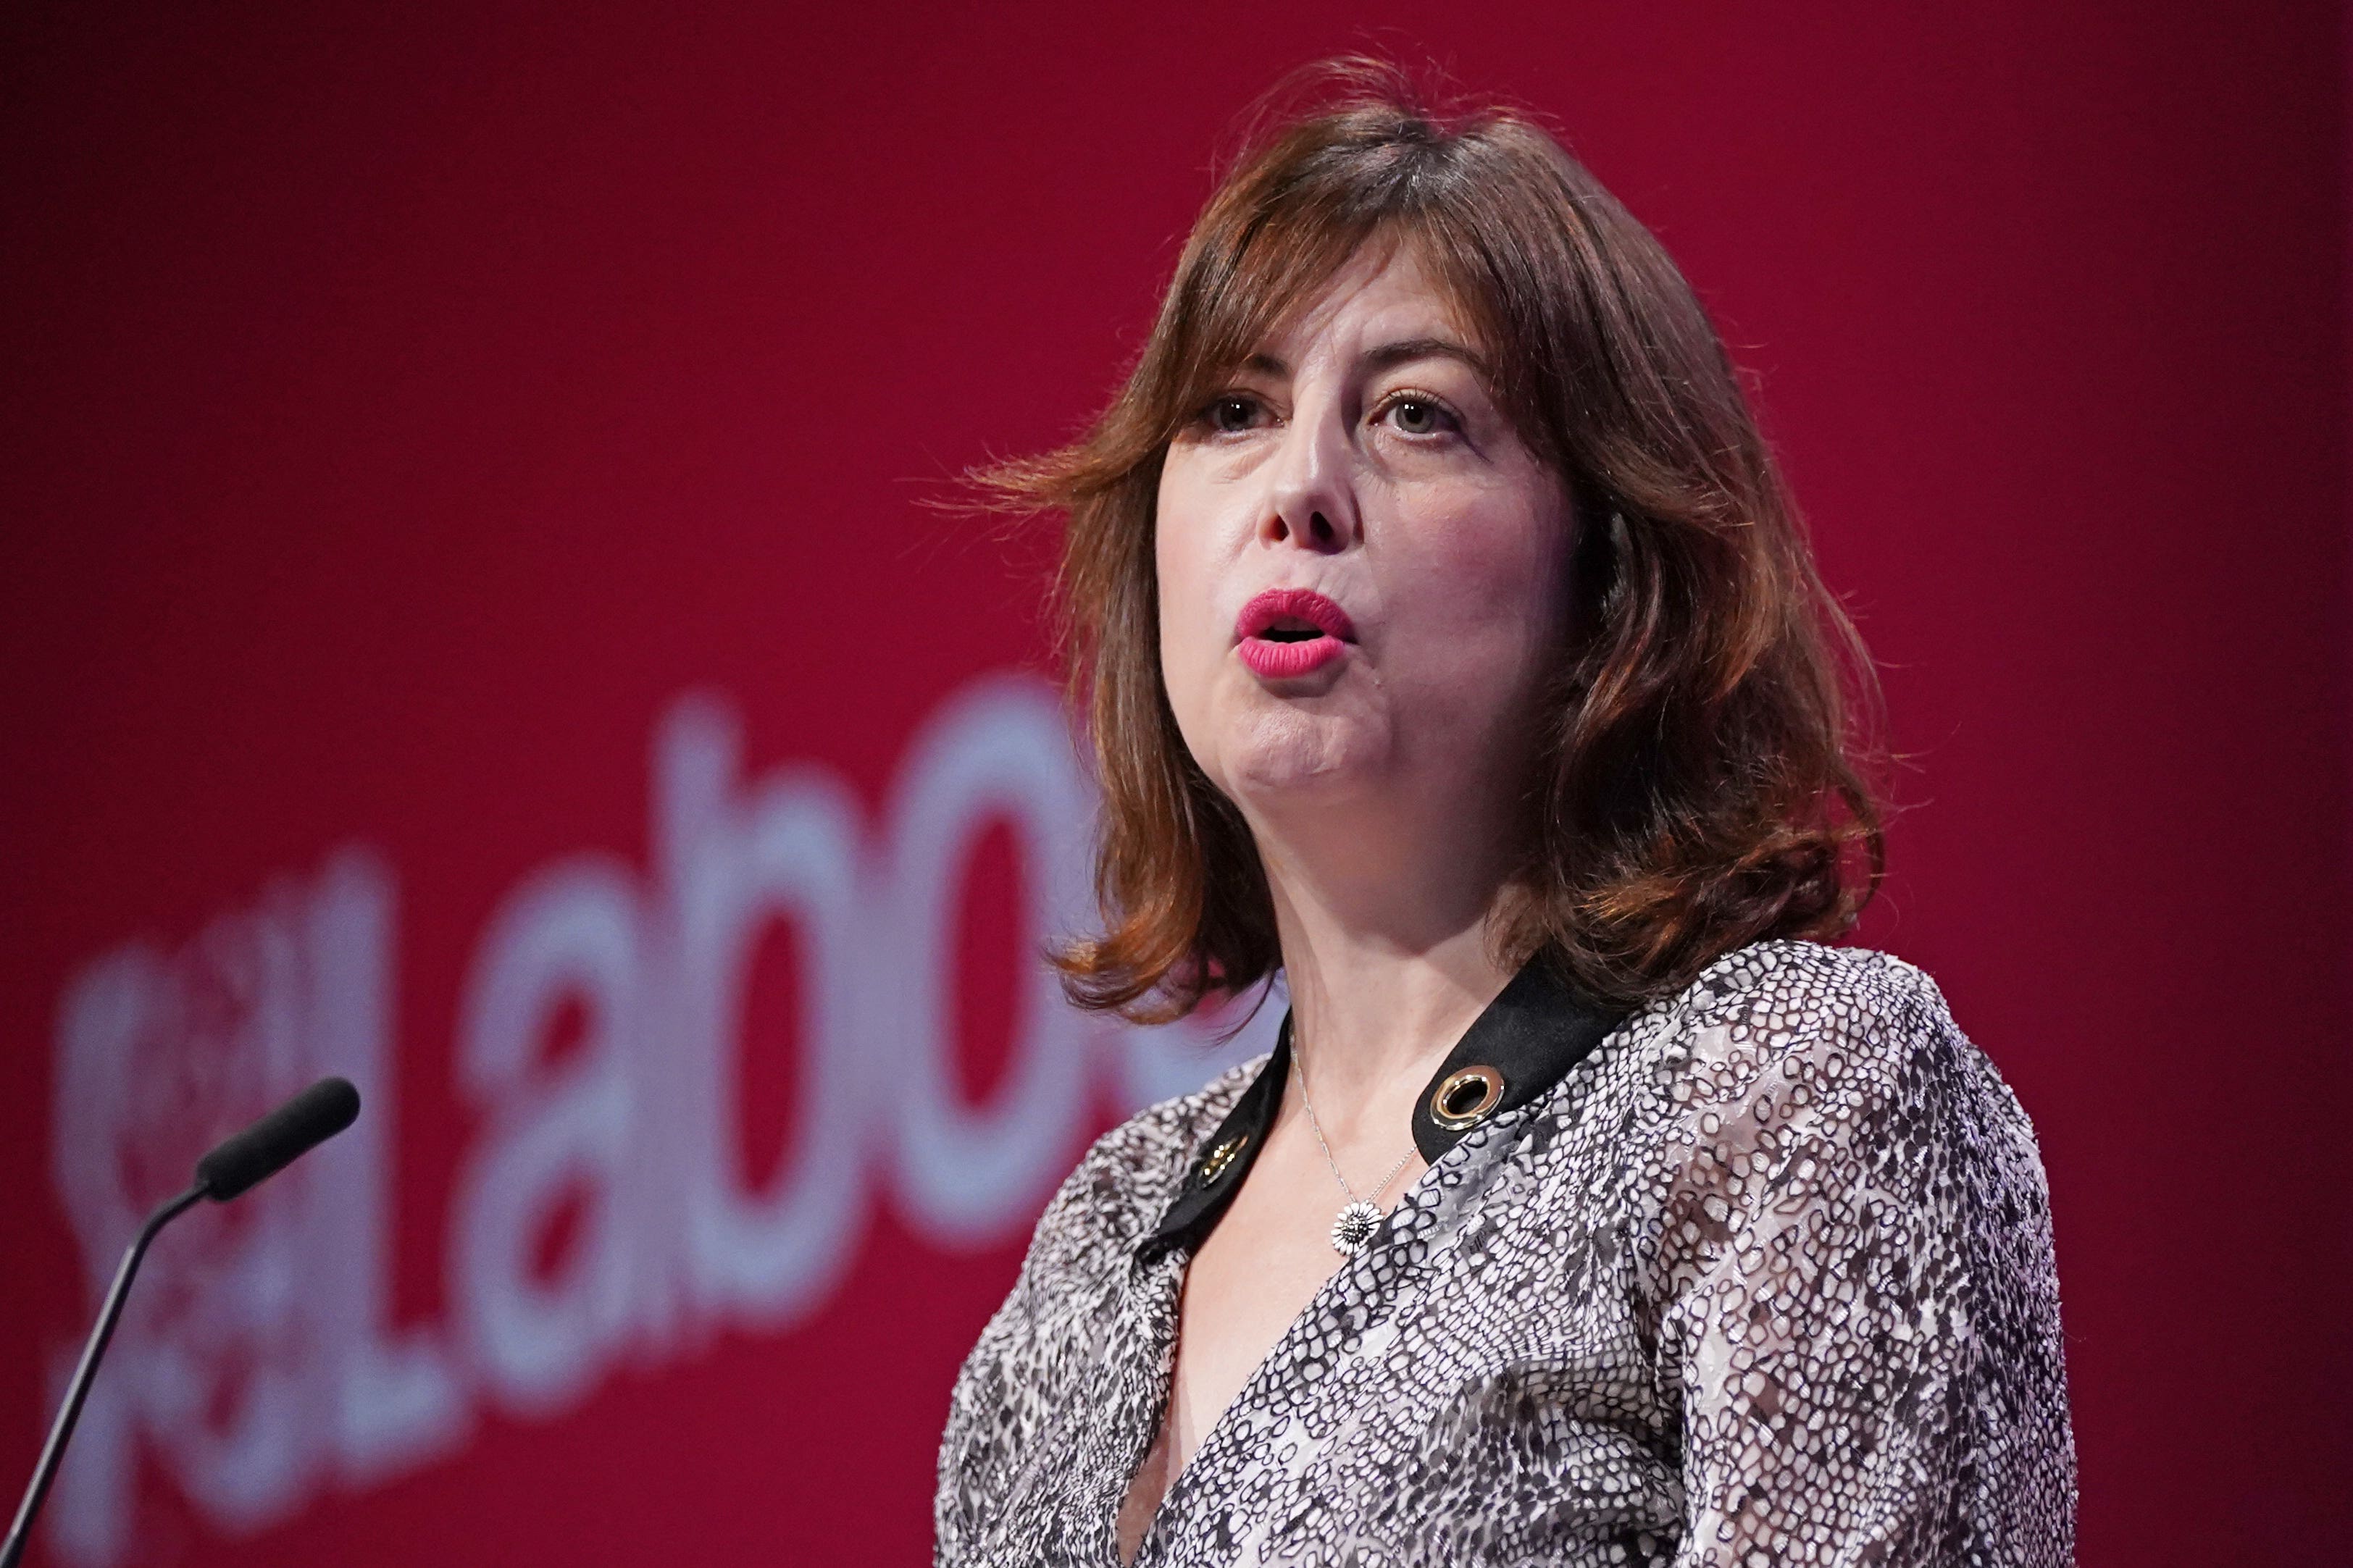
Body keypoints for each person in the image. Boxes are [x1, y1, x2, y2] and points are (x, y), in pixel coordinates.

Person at [935, 61, 2073, 1568]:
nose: (1302, 486)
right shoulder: (1096, 1250)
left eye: (1415, 415)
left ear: (1608, 568)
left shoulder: (1782, 1098)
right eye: (1232, 410)